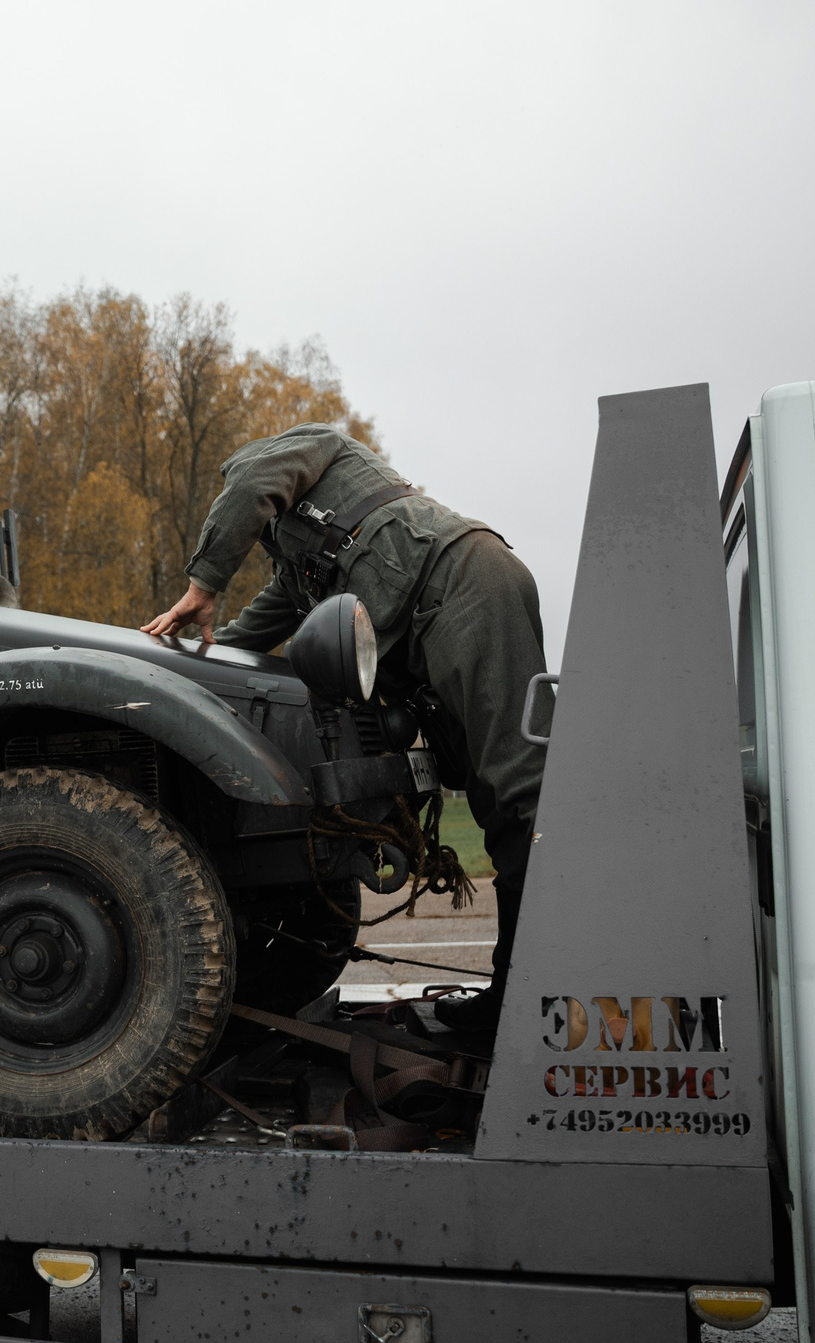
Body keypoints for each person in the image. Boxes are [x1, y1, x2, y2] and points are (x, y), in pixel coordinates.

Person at [142, 423, 546, 1030]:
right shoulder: (301, 574)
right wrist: (154, 668)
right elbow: (243, 639)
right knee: (501, 806)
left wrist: (203, 585)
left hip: (465, 583)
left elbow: (250, 485)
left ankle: (545, 997)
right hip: (443, 607)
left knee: (523, 802)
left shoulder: (295, 450)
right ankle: (516, 999)